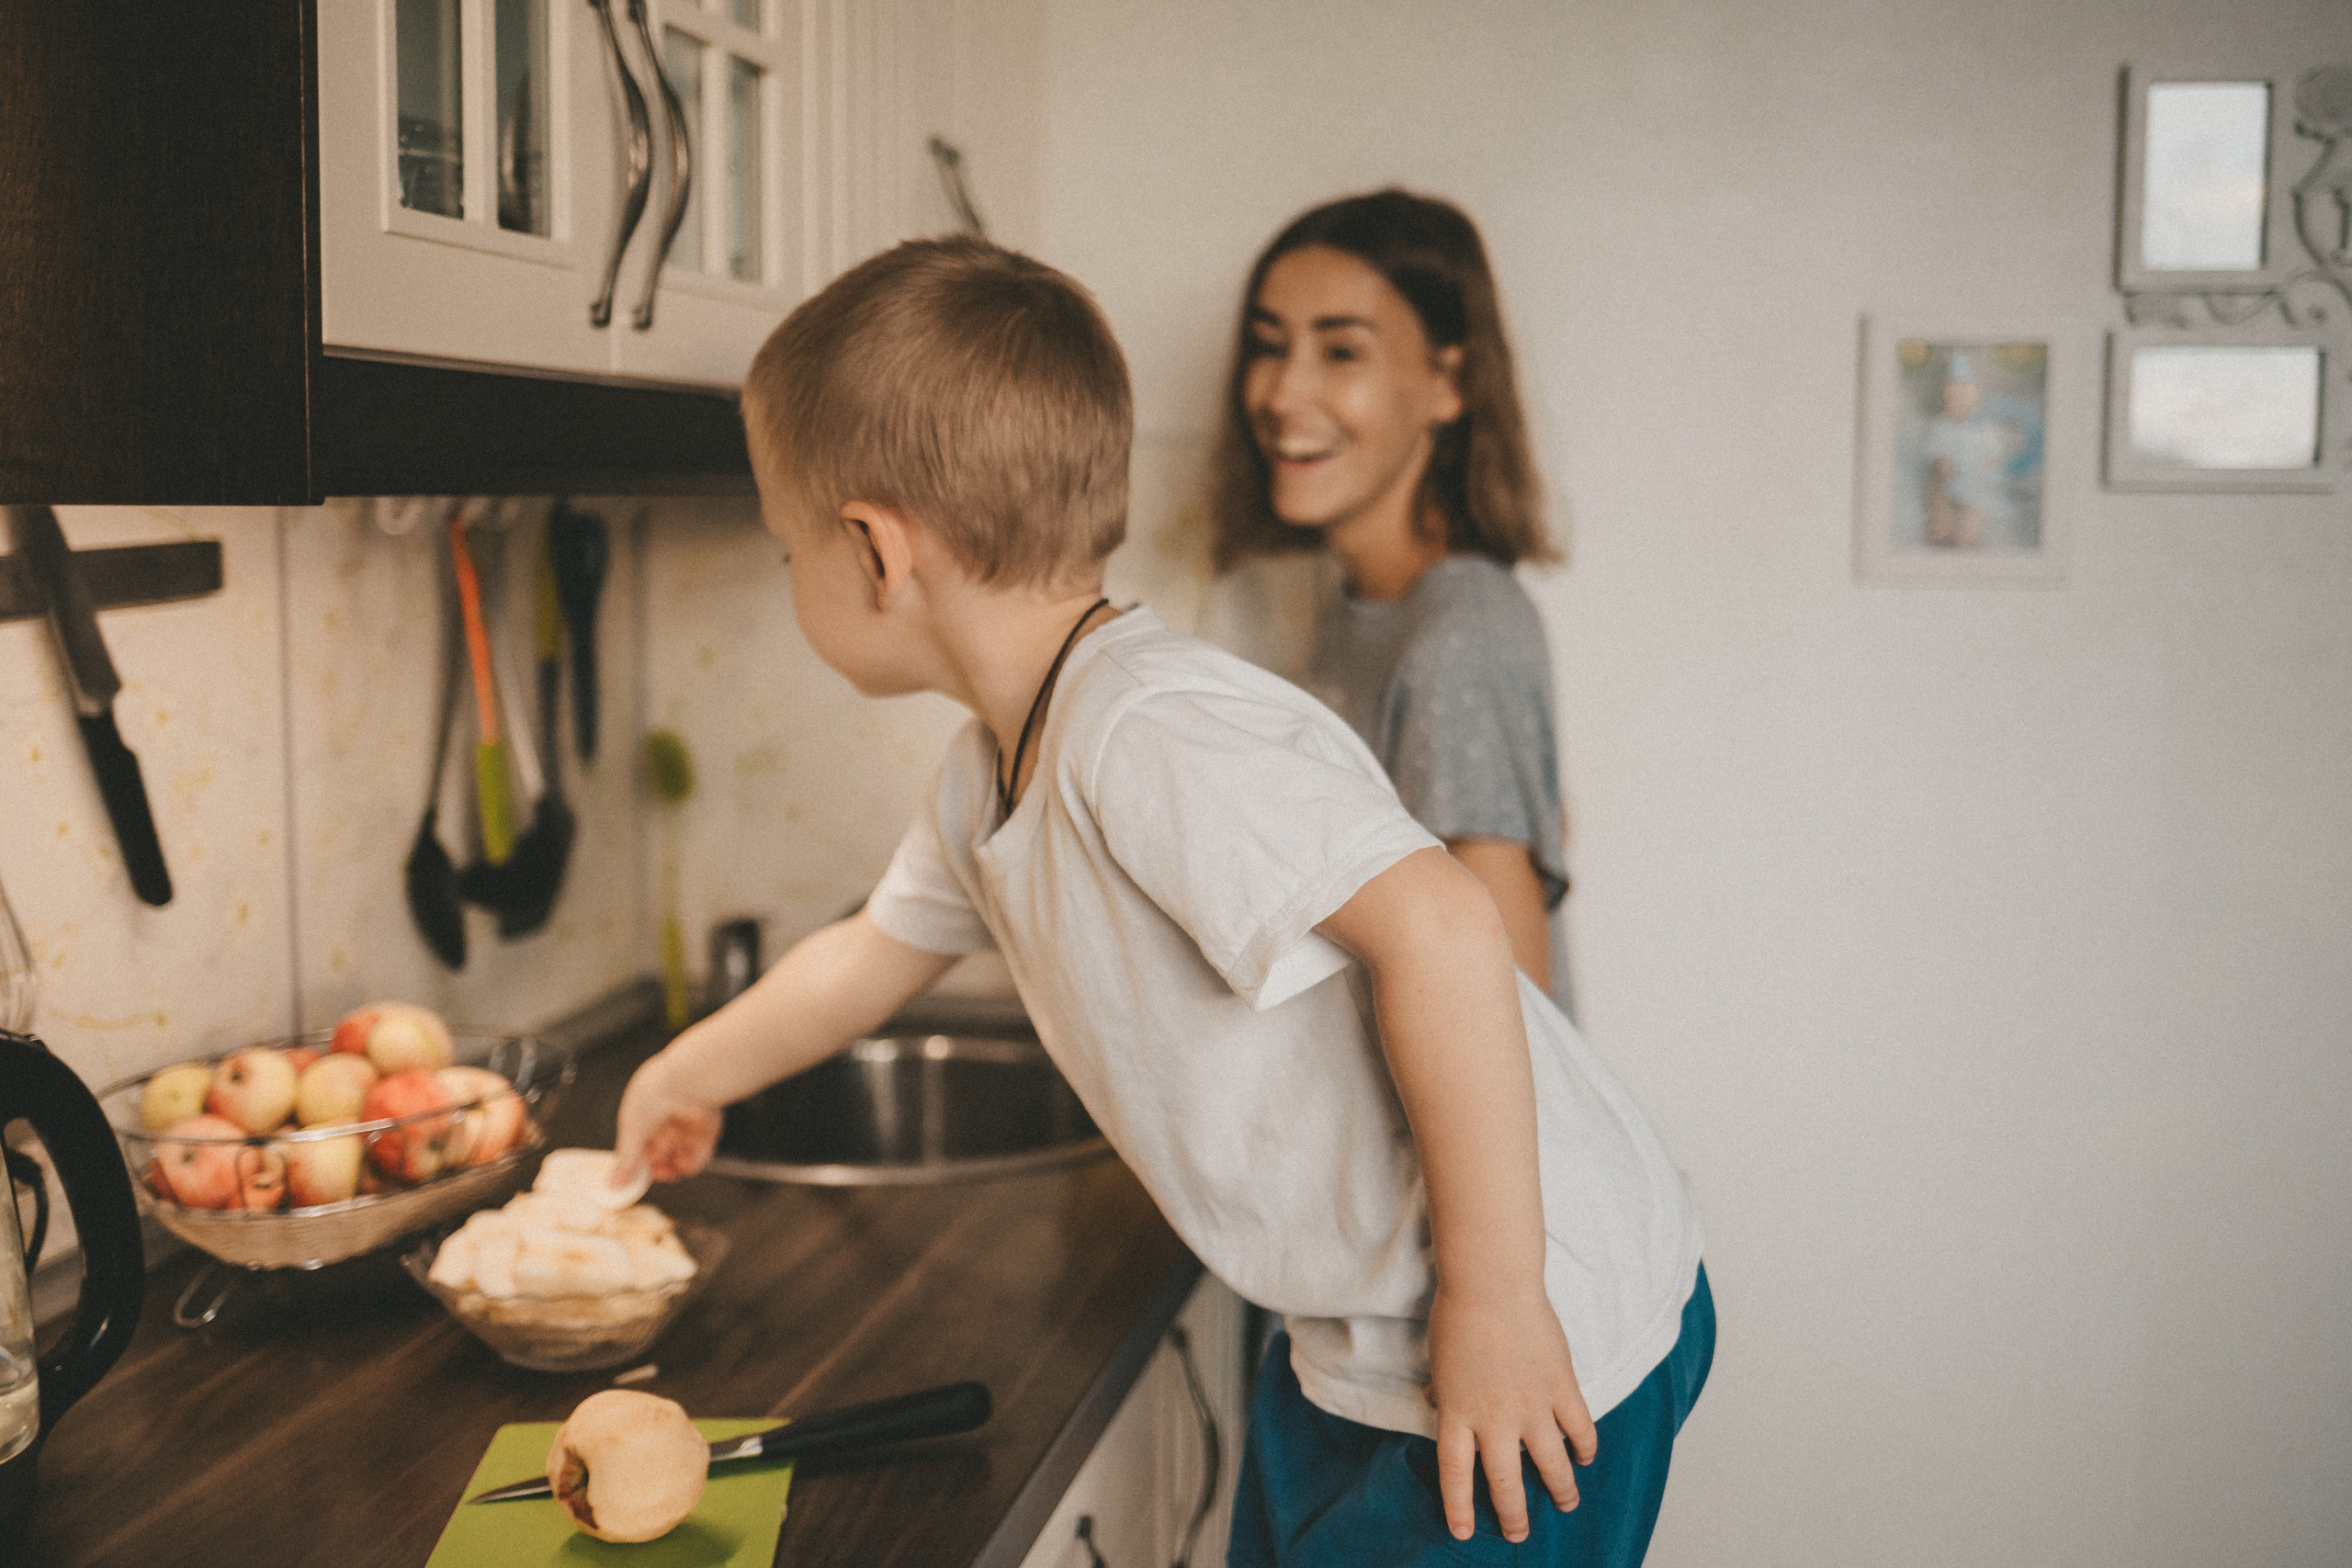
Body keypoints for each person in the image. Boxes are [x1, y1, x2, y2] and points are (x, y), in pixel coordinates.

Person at [610, 235, 1710, 1566]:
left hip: (1532, 1317)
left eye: (788, 548)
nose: (794, 575)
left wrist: (1497, 1300)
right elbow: (871, 952)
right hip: (1368, 1320)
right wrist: (689, 1071)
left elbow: (1448, 925)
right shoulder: (990, 771)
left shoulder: (1145, 730)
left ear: (873, 550)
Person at [1213, 189, 1574, 1014]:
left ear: (1450, 385)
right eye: (1269, 347)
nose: (1280, 393)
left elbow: (1512, 1011)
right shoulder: (1366, 608)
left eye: (1341, 353)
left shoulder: (1458, 642)